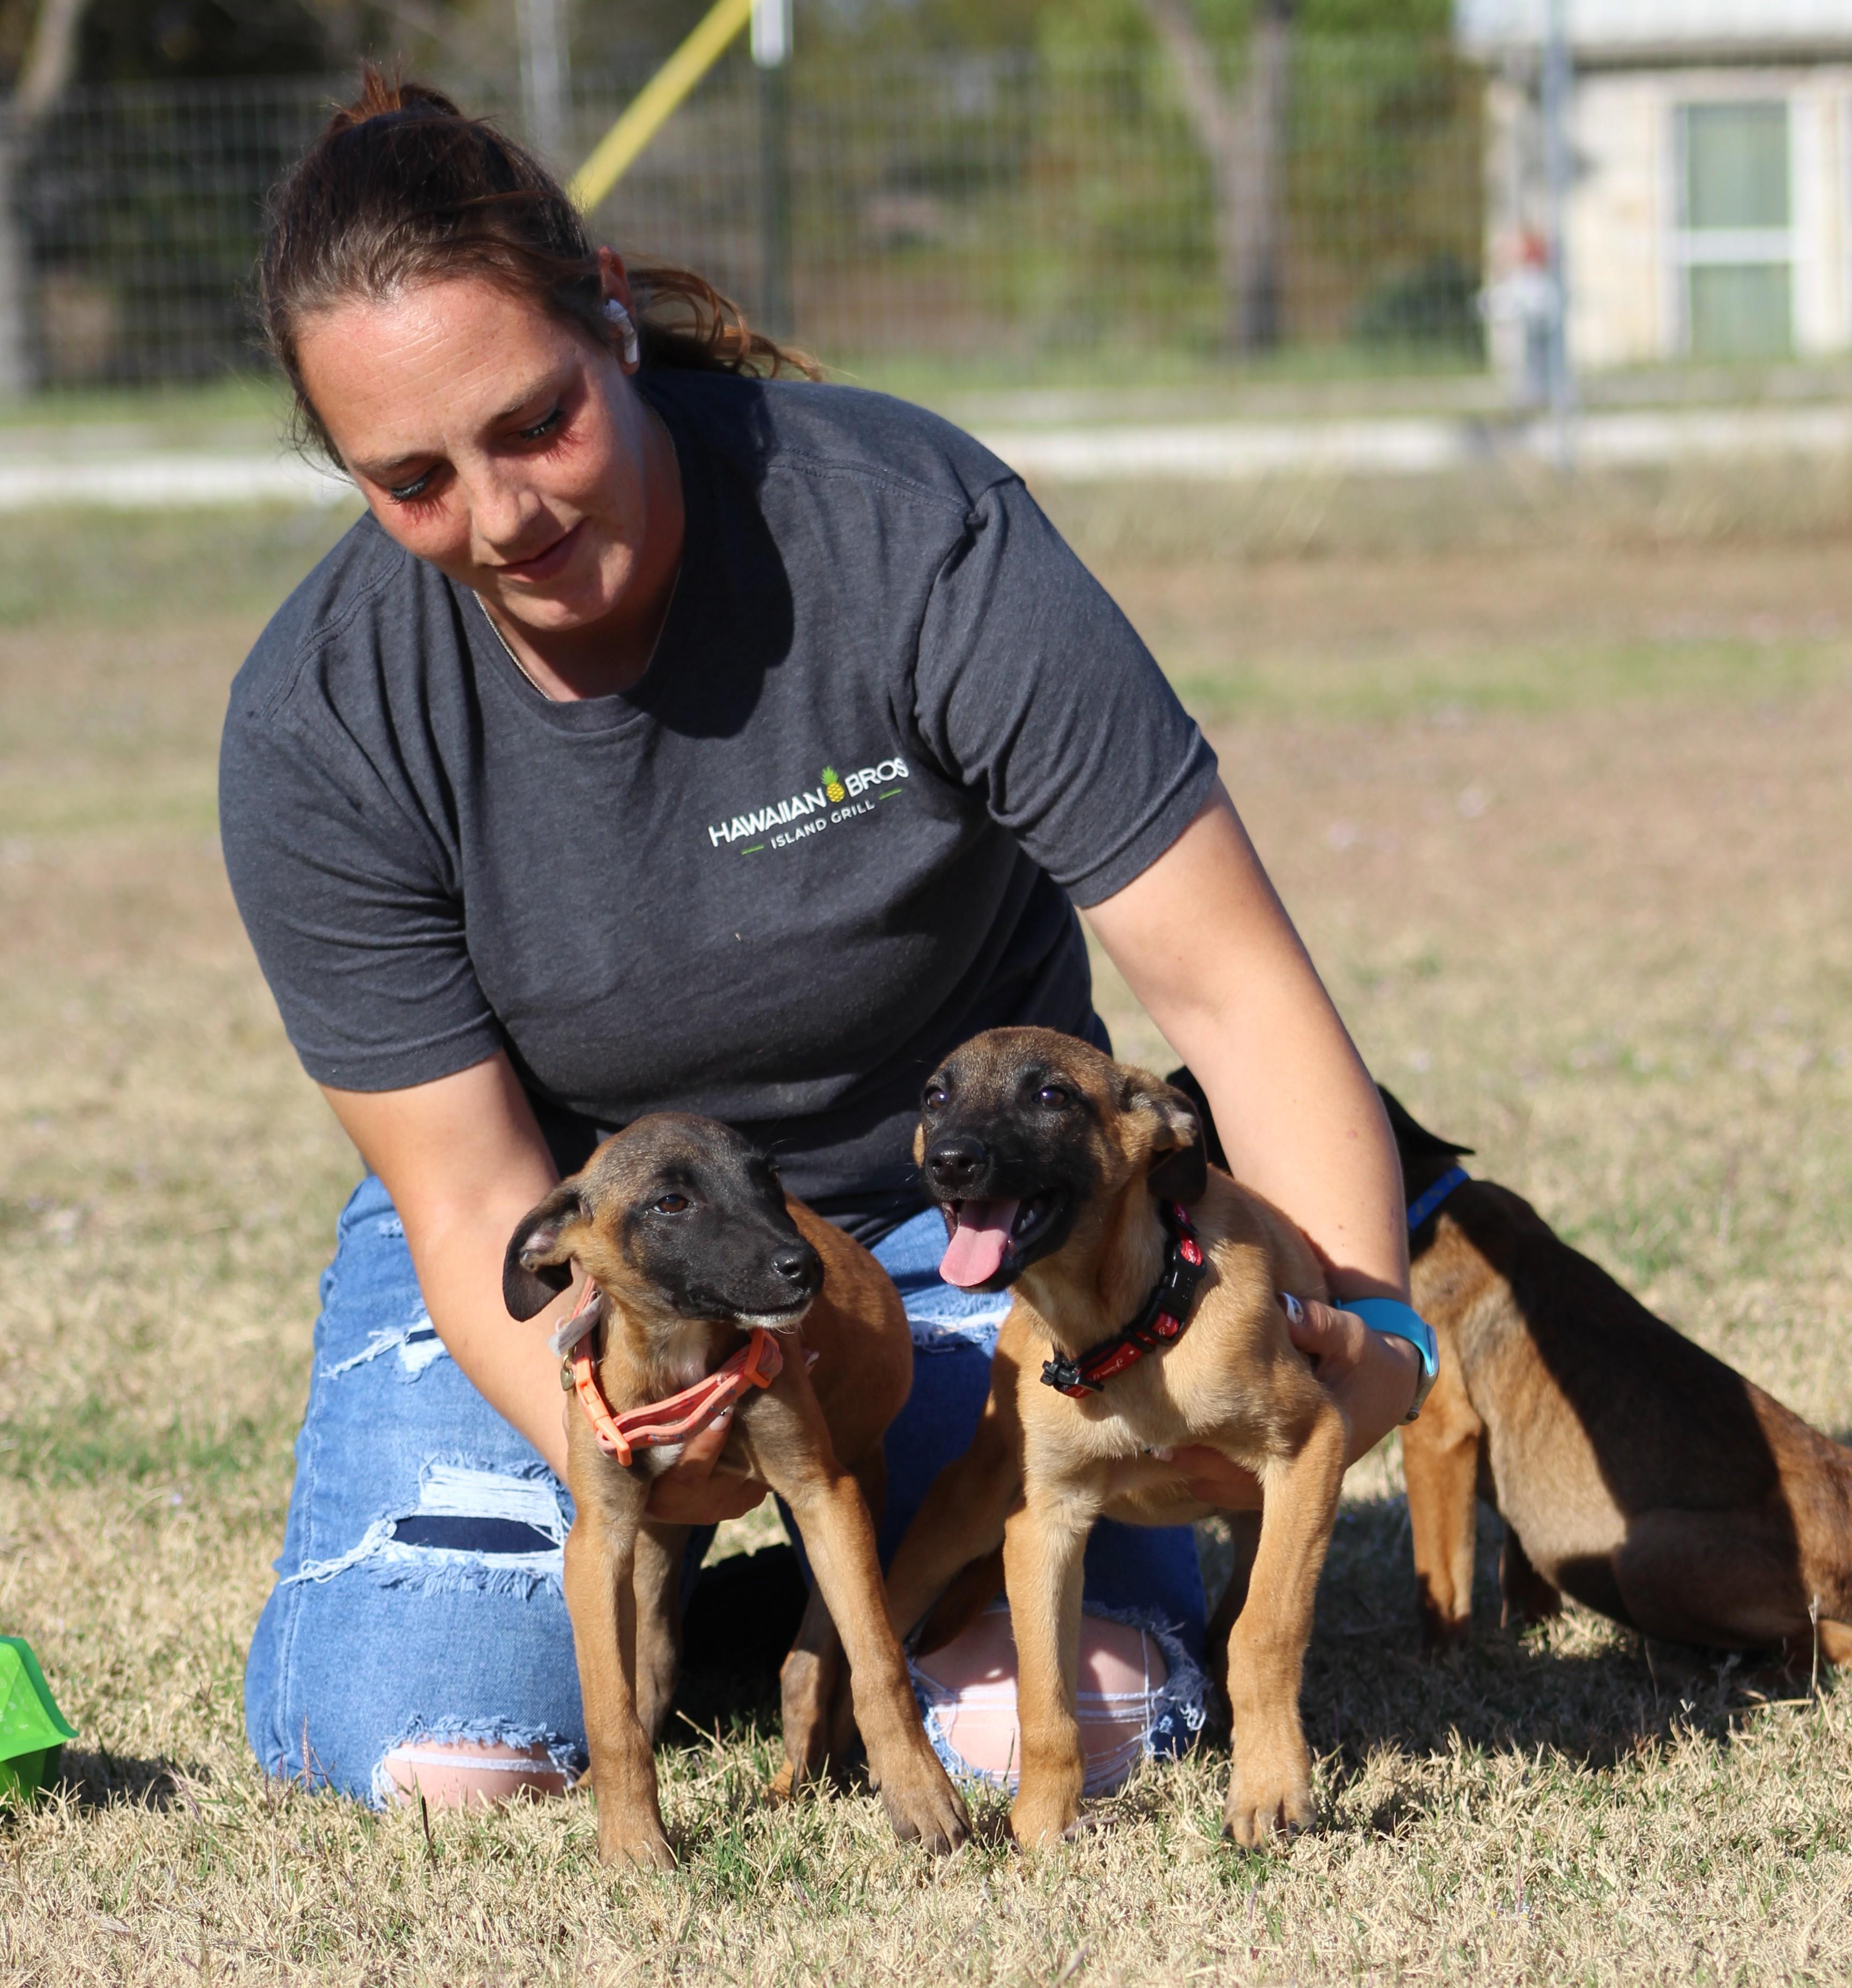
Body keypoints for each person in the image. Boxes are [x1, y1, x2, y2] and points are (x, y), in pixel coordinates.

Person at [223, 72, 1428, 1811]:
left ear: (614, 318)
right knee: (444, 1762)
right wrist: (650, 1426)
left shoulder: (908, 532)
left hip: (975, 1229)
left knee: (1044, 1727)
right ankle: (779, 1593)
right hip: (616, 1252)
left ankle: (847, 1582)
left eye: (535, 422)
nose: (502, 518)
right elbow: (479, 1201)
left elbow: (1229, 989)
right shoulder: (321, 721)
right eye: (410, 480)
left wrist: (1363, 1321)